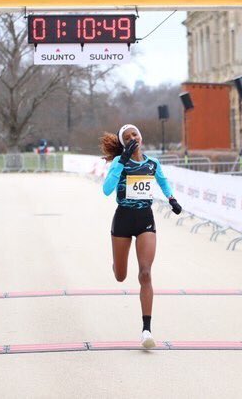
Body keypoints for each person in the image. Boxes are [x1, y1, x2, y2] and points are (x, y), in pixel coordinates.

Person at [100, 124, 182, 349]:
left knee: (145, 274)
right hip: (123, 220)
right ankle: (117, 263)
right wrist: (123, 161)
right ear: (123, 143)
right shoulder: (119, 162)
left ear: (141, 136)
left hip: (145, 219)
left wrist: (172, 199)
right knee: (121, 276)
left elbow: (163, 181)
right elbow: (106, 190)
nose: (132, 138)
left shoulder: (152, 163)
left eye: (134, 134)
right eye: (127, 137)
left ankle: (146, 330)